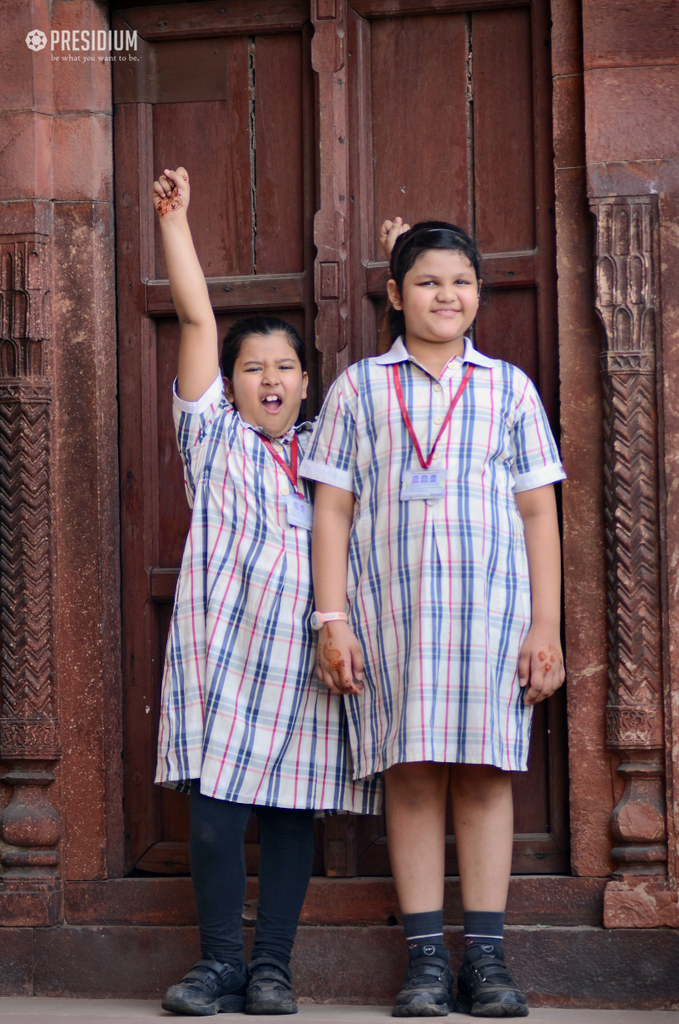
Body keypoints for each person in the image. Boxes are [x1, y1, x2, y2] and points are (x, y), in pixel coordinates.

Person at [300, 220, 566, 1018]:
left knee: (485, 777)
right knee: (410, 778)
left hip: (489, 616)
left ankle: (485, 959)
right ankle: (423, 961)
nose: (445, 295)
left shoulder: (508, 388)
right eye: (426, 281)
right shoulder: (357, 388)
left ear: (478, 294)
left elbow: (536, 512)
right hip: (390, 617)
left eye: (459, 281)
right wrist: (330, 619)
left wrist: (544, 625)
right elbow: (333, 511)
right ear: (393, 294)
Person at [152, 167, 381, 1017]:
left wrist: (400, 275)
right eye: (253, 370)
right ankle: (216, 964)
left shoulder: (328, 446)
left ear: (306, 382)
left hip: (306, 655)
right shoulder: (211, 440)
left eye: (285, 367)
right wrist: (175, 223)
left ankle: (272, 967)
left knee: (292, 819)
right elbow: (197, 318)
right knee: (215, 818)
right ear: (231, 383)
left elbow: (390, 395)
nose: (271, 380)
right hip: (222, 656)